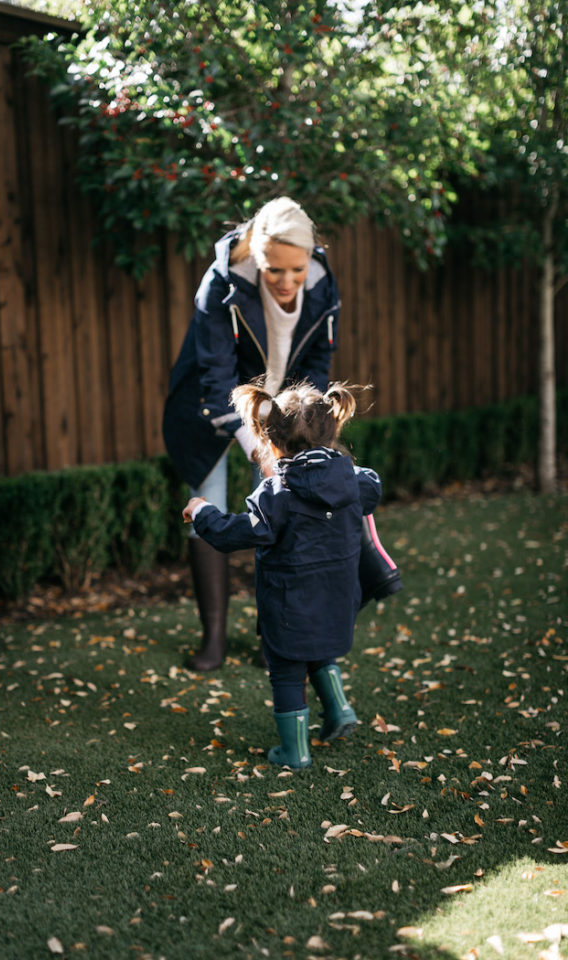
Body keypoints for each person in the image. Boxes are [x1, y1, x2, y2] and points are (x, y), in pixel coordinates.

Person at [163, 195, 401, 672]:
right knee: (206, 499)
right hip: (211, 406)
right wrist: (262, 455)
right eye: (275, 271)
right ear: (256, 253)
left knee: (279, 516)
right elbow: (217, 382)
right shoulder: (222, 286)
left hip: (282, 413)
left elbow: (315, 368)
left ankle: (276, 639)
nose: (289, 282)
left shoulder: (321, 283)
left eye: (298, 269)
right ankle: (213, 638)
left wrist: (300, 431)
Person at [182, 380, 381, 769]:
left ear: (272, 445)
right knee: (319, 650)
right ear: (333, 430)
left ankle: (295, 752)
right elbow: (371, 484)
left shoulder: (277, 495)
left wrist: (203, 511)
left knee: (288, 672)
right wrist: (338, 469)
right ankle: (339, 711)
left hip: (290, 606)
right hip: (339, 601)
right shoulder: (353, 482)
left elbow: (235, 532)